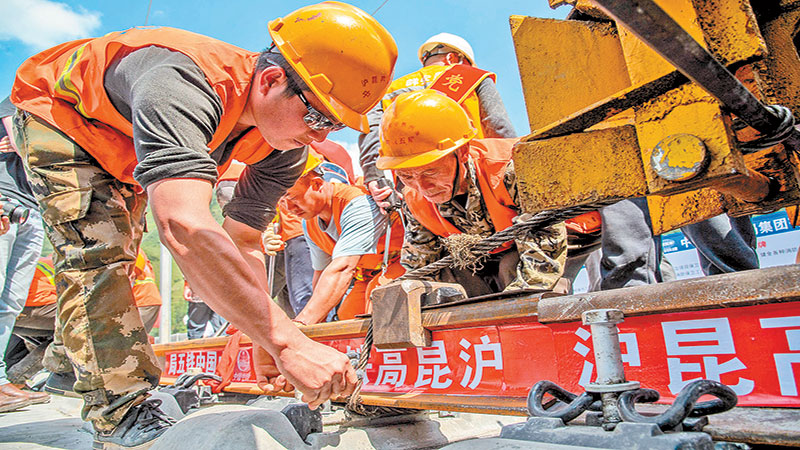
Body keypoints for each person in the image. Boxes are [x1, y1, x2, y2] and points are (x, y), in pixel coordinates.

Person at [9, 2, 397, 447]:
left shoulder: (285, 146)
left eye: (334, 124)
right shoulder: (181, 83)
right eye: (317, 117)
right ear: (271, 81)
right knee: (99, 250)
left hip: (124, 142)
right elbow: (183, 227)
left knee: (122, 247)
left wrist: (264, 337)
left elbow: (246, 240)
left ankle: (69, 362)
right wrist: (290, 343)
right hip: (62, 116)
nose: (321, 136)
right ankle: (119, 407)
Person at [377, 90, 566, 296]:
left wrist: (513, 312)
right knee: (444, 280)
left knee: (511, 266)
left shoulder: (512, 168)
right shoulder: (414, 199)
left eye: (431, 171)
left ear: (463, 152)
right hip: (492, 252)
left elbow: (543, 256)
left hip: (560, 238)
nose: (423, 187)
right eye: (407, 176)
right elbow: (420, 268)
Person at [359, 32, 516, 208]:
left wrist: (374, 177)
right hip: (474, 176)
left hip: (413, 187)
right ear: (453, 58)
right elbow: (497, 124)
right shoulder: (473, 76)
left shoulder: (391, 89)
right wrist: (511, 171)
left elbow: (370, 132)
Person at [280, 155, 404, 325]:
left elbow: (343, 267)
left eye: (292, 198)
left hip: (404, 264)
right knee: (348, 317)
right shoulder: (309, 223)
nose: (289, 208)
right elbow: (321, 272)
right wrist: (314, 324)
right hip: (367, 275)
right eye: (282, 202)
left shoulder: (358, 203)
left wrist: (302, 324)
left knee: (376, 307)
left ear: (316, 184)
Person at [0, 97, 49, 413]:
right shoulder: (16, 103)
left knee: (11, 301)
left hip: (31, 210)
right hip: (4, 202)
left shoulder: (52, 117)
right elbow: (23, 145)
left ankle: (3, 381)